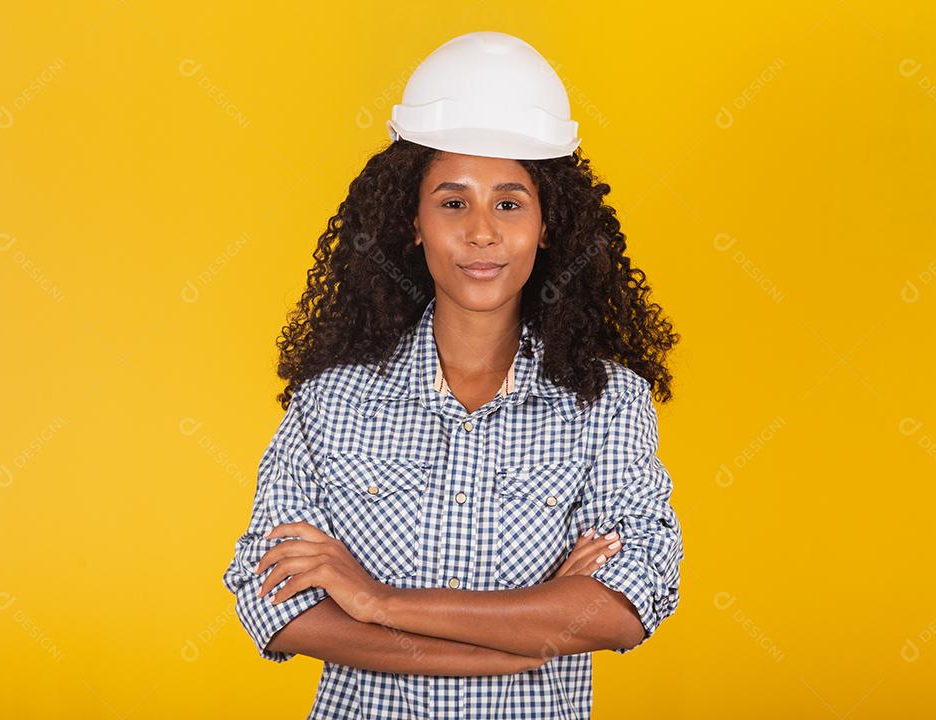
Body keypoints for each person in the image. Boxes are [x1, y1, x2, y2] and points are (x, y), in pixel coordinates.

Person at [222, 30, 684, 720]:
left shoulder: (607, 403)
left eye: (508, 203)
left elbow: (624, 605)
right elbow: (274, 606)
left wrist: (376, 601)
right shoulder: (331, 401)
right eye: (452, 201)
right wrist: (528, 639)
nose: (480, 233)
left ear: (546, 224)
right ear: (412, 222)